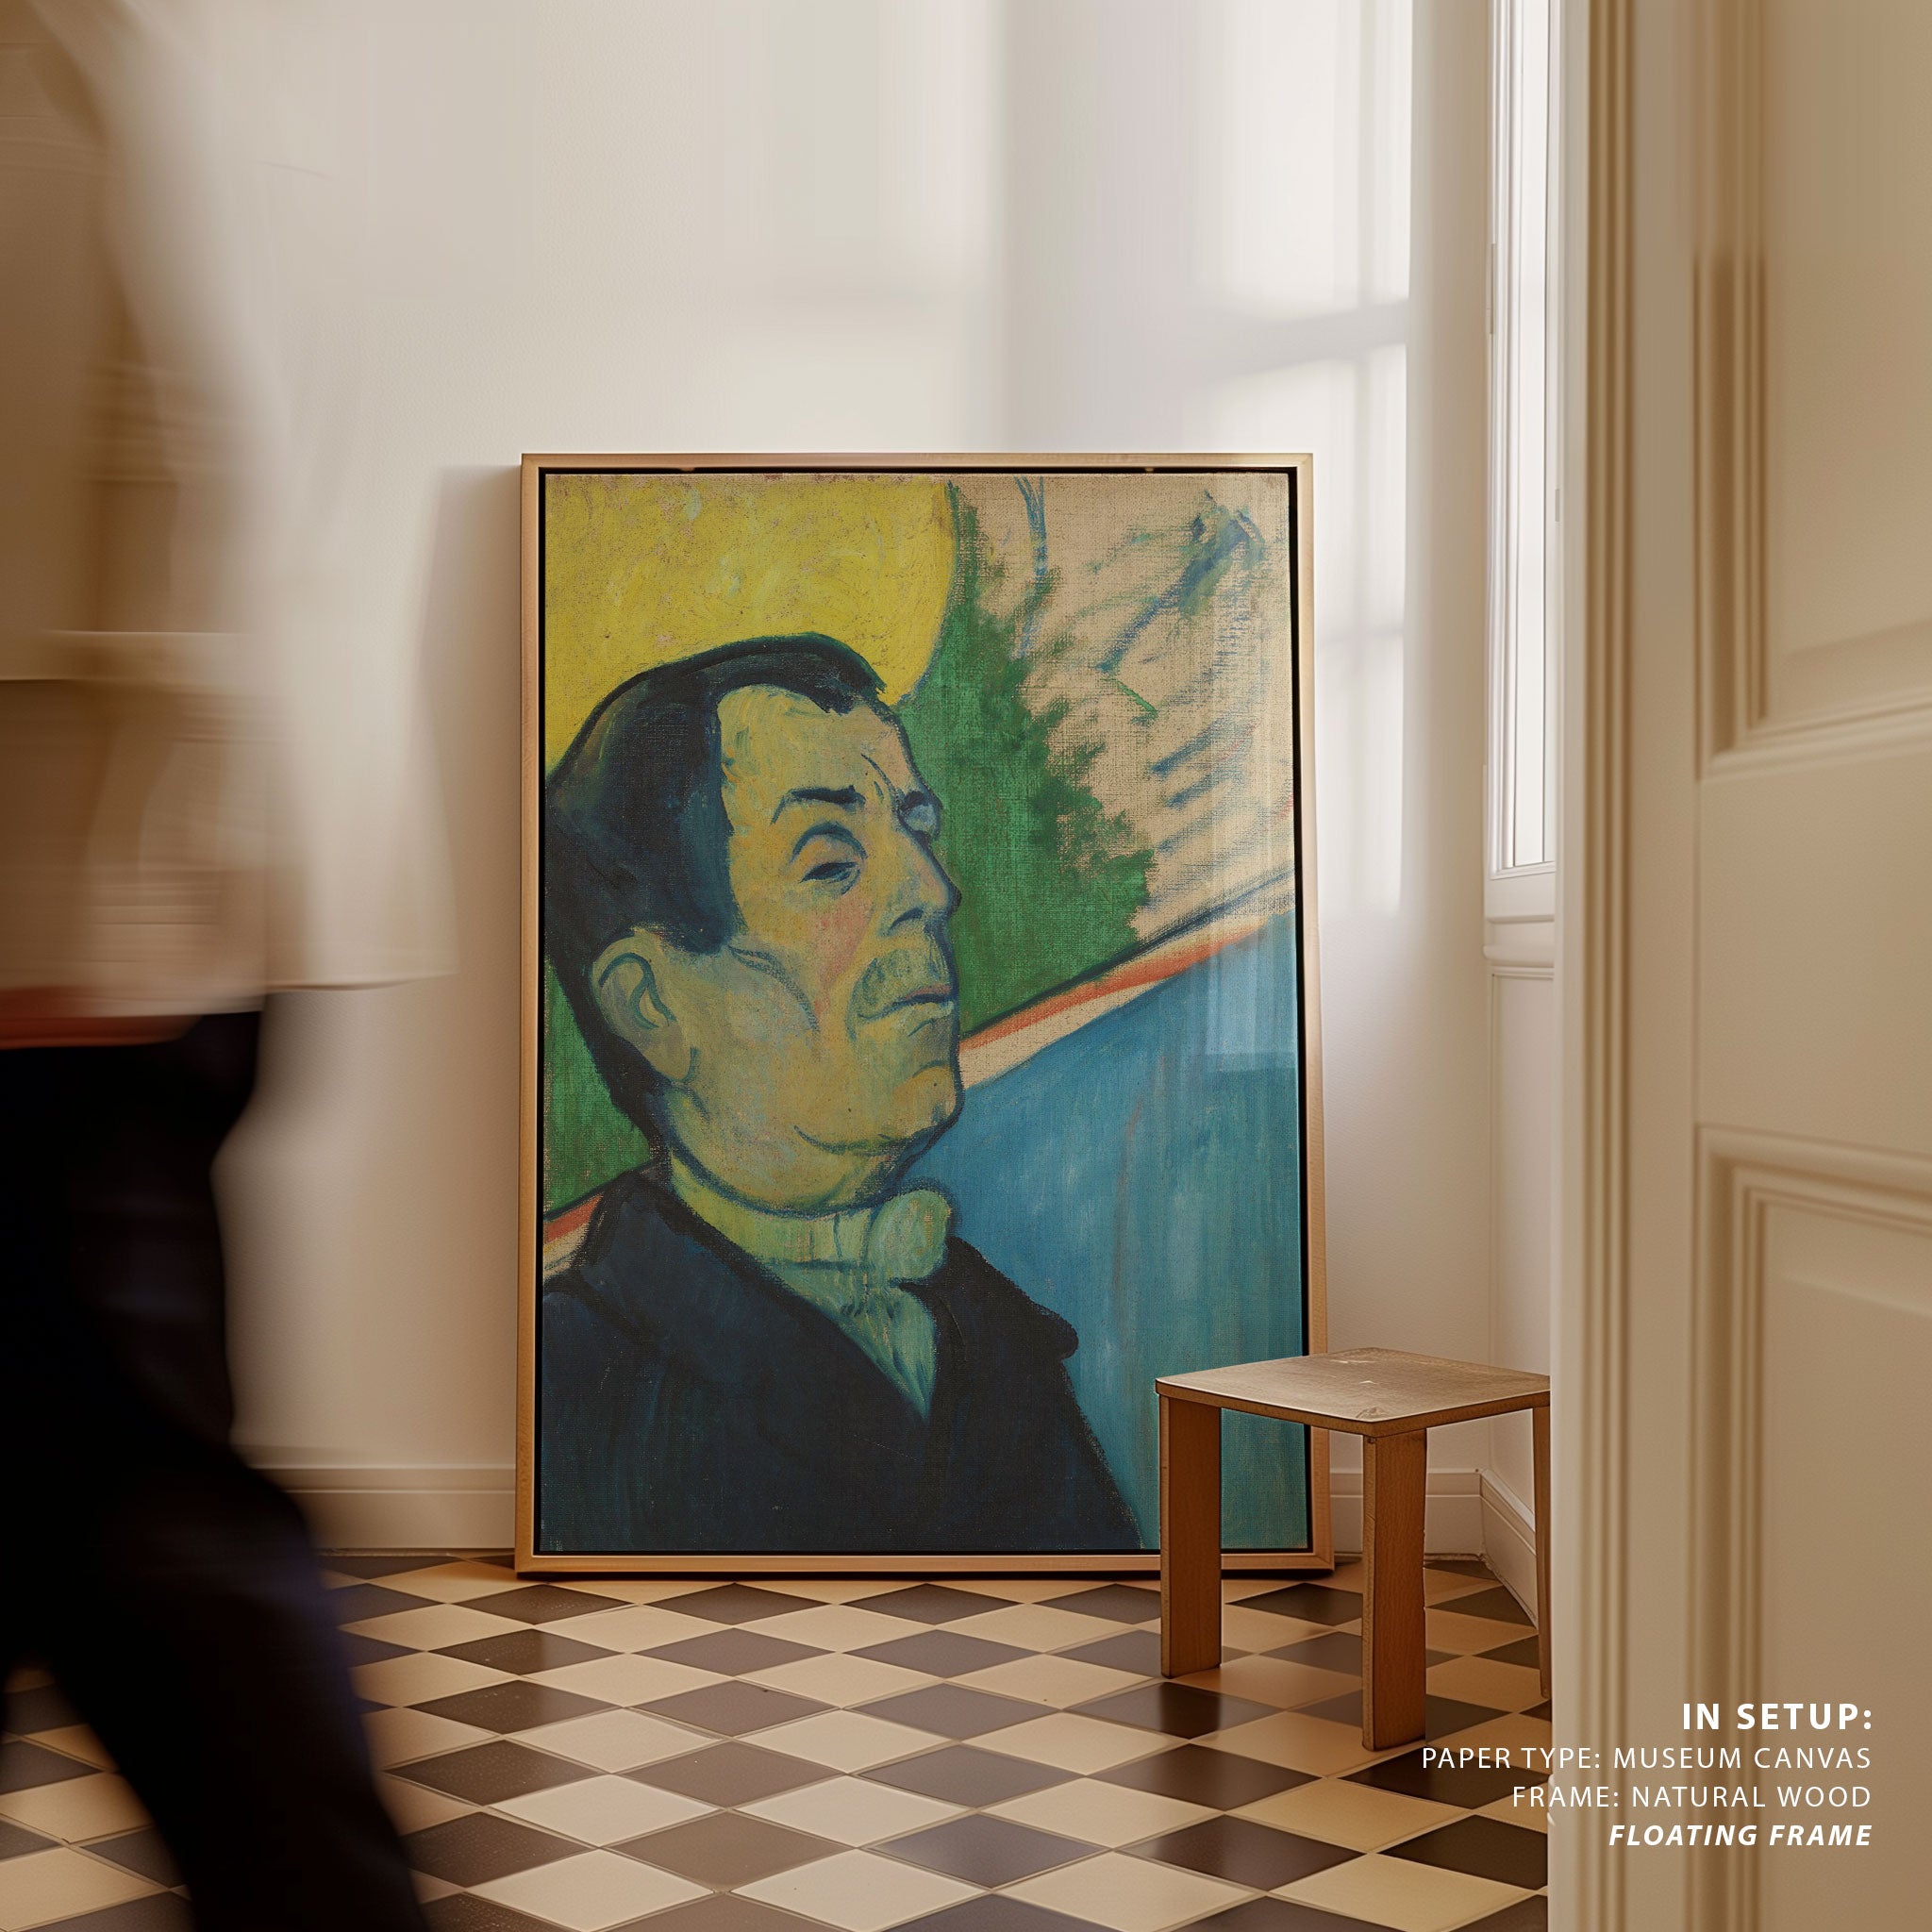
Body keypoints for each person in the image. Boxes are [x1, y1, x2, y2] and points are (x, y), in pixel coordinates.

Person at [0, 5, 437, 1925]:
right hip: (120, 892)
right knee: (108, 1492)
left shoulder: (83, 45)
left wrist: (108, 888)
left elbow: (200, 439)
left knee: (143, 1516)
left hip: (77, 910)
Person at [541, 636, 1136, 1553]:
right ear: (652, 1004)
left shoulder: (987, 1334)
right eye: (828, 863)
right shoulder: (575, 1389)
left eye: (916, 830)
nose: (934, 890)